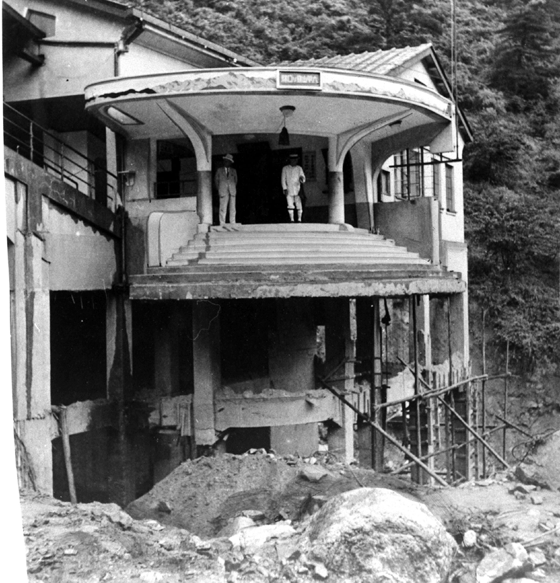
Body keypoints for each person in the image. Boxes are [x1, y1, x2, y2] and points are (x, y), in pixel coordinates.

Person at [281, 153, 306, 222]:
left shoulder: (299, 168)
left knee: (299, 204)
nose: (294, 161)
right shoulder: (285, 168)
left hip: (297, 189)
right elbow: (283, 179)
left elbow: (303, 178)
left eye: (295, 160)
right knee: (290, 204)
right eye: (293, 160)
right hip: (289, 189)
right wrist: (284, 188)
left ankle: (299, 219)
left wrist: (302, 179)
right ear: (290, 160)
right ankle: (291, 219)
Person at [214, 153, 238, 226]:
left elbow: (235, 181)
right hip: (223, 191)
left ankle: (232, 222)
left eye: (228, 161)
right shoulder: (219, 170)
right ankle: (222, 222)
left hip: (232, 191)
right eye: (225, 161)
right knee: (223, 207)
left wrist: (232, 187)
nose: (226, 162)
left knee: (233, 207)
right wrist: (220, 189)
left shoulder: (234, 171)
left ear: (230, 163)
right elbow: (216, 181)